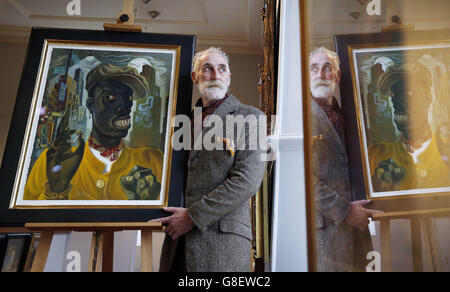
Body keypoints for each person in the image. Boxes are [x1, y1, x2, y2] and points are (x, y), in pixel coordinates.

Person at [152, 47, 266, 272]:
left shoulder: (251, 117)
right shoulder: (177, 122)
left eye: (221, 69)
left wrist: (193, 217)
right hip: (177, 245)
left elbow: (248, 181)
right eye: (207, 69)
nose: (215, 75)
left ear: (228, 77)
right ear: (195, 77)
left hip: (223, 245)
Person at [24, 64, 163, 201]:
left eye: (128, 98)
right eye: (110, 98)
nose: (124, 108)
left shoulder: (154, 161)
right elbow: (25, 217)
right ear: (91, 105)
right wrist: (57, 189)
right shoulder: (54, 161)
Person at [309, 47, 382, 272]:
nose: (321, 73)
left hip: (360, 232)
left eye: (327, 67)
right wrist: (345, 211)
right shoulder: (299, 117)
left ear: (338, 76)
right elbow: (300, 177)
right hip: (325, 234)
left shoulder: (354, 116)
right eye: (314, 68)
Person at [369, 62, 450, 192]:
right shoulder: (376, 154)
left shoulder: (445, 155)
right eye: (395, 94)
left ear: (428, 98)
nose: (398, 102)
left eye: (409, 92)